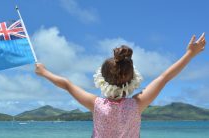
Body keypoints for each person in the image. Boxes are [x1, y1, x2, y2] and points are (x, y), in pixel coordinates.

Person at [35, 33, 206, 138]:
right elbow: (164, 77)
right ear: (132, 81)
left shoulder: (96, 105)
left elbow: (66, 84)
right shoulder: (137, 104)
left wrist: (44, 72)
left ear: (102, 80)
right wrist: (190, 54)